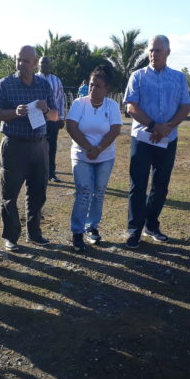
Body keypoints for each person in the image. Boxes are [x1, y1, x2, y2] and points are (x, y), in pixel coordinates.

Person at [123, 35, 190, 248]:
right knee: (138, 185)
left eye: (158, 51)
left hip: (167, 139)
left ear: (168, 52)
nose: (153, 54)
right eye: (151, 50)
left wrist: (167, 127)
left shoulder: (179, 78)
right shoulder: (138, 76)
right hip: (142, 139)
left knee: (160, 186)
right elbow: (131, 106)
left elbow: (185, 106)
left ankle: (151, 224)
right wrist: (154, 126)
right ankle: (134, 229)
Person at [0, 45, 58, 251]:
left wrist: (46, 110)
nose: (21, 64)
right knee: (10, 193)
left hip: (38, 145)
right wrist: (14, 112)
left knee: (38, 192)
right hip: (14, 145)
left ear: (35, 63)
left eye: (26, 61)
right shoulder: (5, 84)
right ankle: (11, 236)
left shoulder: (43, 85)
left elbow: (56, 115)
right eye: (18, 60)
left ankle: (34, 233)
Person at [66, 65, 122, 252]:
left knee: (99, 192)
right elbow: (71, 126)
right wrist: (89, 147)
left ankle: (92, 226)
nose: (93, 89)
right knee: (84, 192)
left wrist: (98, 149)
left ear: (106, 89)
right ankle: (77, 231)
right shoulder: (79, 104)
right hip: (81, 155)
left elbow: (115, 130)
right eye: (91, 85)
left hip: (105, 157)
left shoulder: (111, 105)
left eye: (98, 86)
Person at [36, 56, 66, 183]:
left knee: (52, 146)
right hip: (37, 119)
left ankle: (51, 173)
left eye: (47, 63)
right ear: (38, 64)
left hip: (52, 118)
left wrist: (61, 117)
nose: (44, 65)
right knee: (37, 146)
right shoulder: (33, 79)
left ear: (50, 65)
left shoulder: (56, 80)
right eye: (42, 63)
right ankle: (37, 173)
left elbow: (61, 100)